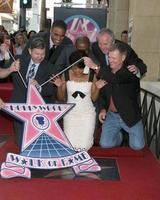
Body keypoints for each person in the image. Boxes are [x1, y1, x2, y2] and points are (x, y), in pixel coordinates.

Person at [52, 50, 105, 151]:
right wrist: (59, 87)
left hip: (87, 114)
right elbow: (60, 98)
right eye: (74, 68)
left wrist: (97, 88)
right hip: (70, 114)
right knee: (70, 144)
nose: (77, 71)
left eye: (80, 69)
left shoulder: (91, 75)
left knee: (84, 145)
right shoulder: (66, 74)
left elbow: (94, 98)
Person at [98, 43, 145, 150]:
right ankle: (119, 137)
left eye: (114, 58)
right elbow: (103, 95)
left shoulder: (130, 71)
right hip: (111, 116)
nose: (110, 60)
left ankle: (130, 134)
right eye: (109, 57)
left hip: (129, 116)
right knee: (105, 144)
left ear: (123, 58)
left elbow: (116, 79)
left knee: (137, 146)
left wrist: (95, 67)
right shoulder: (106, 70)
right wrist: (103, 109)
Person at [10, 37, 56, 146]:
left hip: (38, 111)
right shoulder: (18, 60)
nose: (40, 57)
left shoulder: (50, 67)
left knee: (36, 144)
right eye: (37, 54)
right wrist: (4, 53)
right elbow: (4, 67)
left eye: (42, 54)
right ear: (30, 51)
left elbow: (52, 89)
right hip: (19, 106)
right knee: (21, 142)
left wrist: (39, 87)